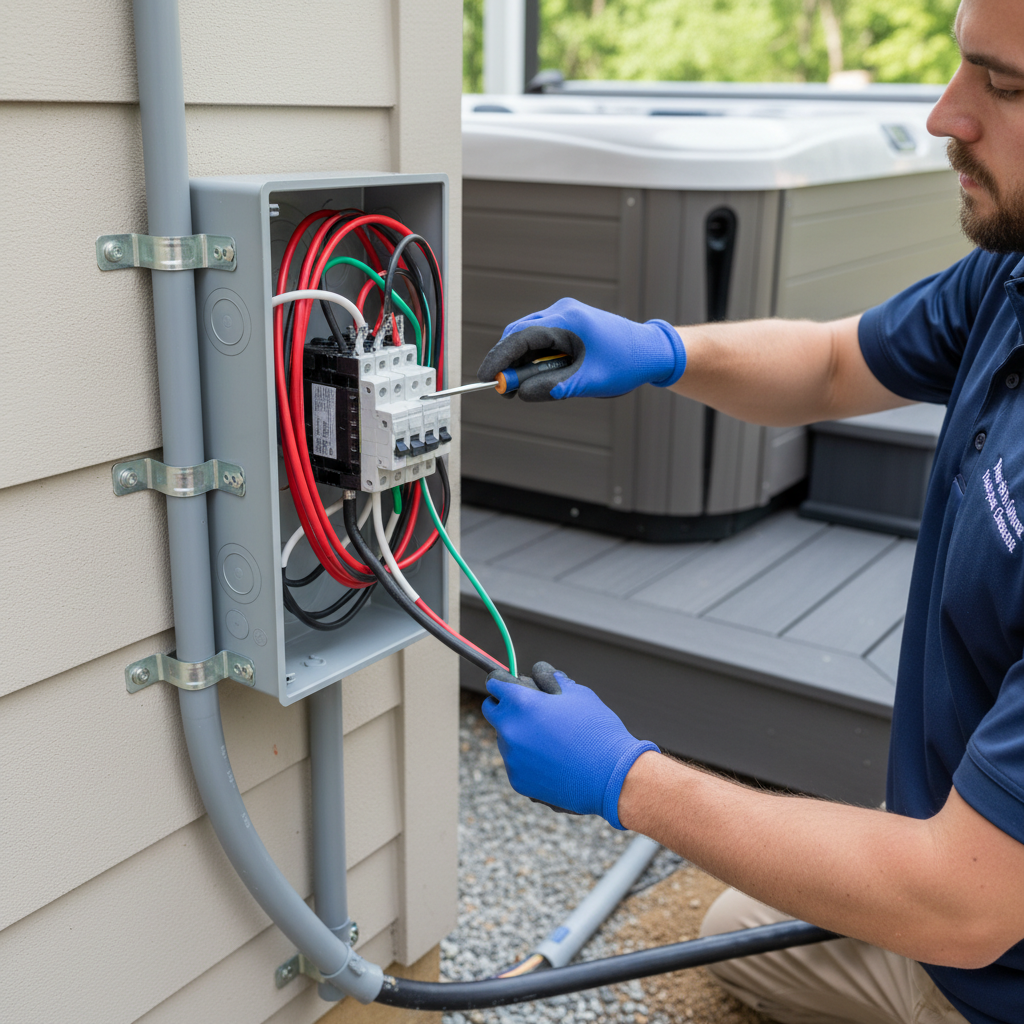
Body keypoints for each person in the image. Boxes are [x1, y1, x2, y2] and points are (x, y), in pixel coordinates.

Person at [476, 2, 1024, 1022]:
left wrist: (627, 779)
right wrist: (657, 349)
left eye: (1005, 87)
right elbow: (826, 364)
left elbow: (963, 902)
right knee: (736, 928)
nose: (944, 116)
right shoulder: (1012, 277)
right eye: (962, 70)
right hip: (971, 906)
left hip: (987, 944)